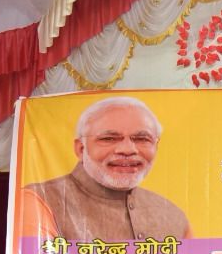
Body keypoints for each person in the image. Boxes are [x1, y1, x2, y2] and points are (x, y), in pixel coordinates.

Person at [18, 95, 190, 243]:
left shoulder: (173, 216)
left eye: (142, 139)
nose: (127, 150)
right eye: (109, 138)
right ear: (81, 149)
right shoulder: (40, 200)